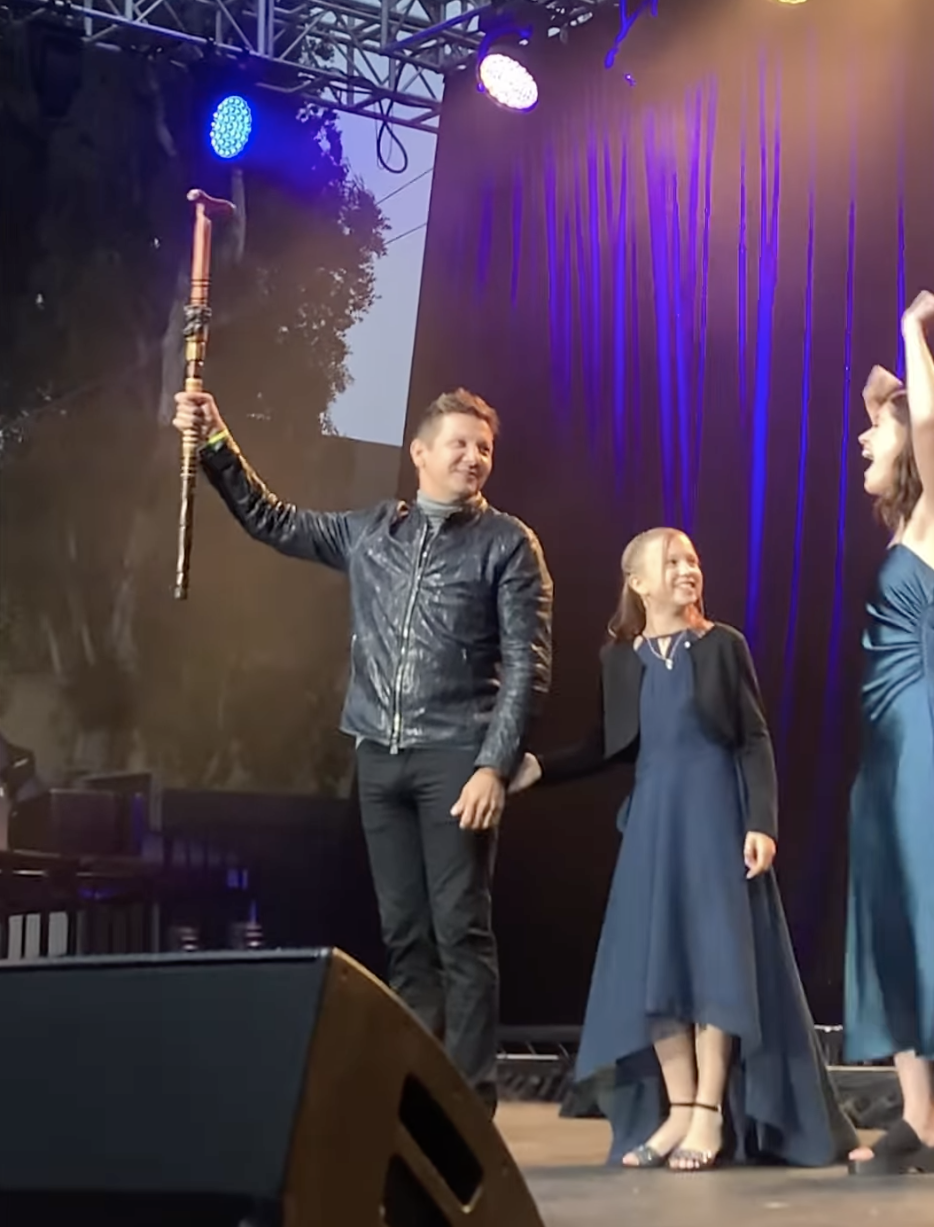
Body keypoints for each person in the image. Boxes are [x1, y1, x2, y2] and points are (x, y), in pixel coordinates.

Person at [173, 385, 553, 1112]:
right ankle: (414, 1094)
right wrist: (216, 440)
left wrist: (491, 767)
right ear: (420, 453)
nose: (473, 458)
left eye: (484, 449)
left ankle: (469, 1104)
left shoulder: (507, 543)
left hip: (456, 757)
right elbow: (270, 519)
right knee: (406, 936)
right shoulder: (373, 532)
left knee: (460, 932)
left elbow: (528, 670)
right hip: (380, 755)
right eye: (460, 444)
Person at [511, 528, 854, 1171]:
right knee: (658, 968)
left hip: (714, 817)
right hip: (653, 826)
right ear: (638, 582)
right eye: (670, 562)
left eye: (692, 559)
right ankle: (677, 1108)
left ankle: (708, 1114)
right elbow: (606, 745)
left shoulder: (723, 647)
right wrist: (540, 768)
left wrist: (762, 821)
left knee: (715, 960)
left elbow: (753, 738)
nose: (687, 570)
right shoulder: (621, 659)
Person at [845, 290, 934, 1177]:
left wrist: (910, 333)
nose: (863, 441)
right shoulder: (904, 529)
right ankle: (921, 1118)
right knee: (889, 916)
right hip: (887, 751)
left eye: (875, 431)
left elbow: (927, 412)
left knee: (927, 909)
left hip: (927, 749)